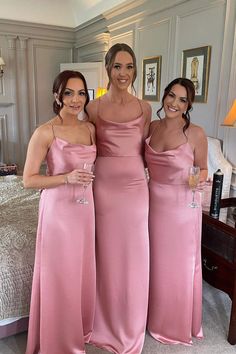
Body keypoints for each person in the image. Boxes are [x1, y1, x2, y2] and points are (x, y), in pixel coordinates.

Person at [23, 70, 96, 354]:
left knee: (79, 271)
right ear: (57, 96)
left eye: (81, 93)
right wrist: (66, 178)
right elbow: (29, 180)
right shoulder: (45, 131)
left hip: (85, 209)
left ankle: (77, 328)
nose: (76, 99)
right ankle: (56, 340)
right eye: (68, 92)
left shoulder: (90, 129)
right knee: (60, 273)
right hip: (59, 212)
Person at [87, 43, 152, 354]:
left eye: (129, 67)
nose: (123, 73)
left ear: (135, 70)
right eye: (117, 66)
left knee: (134, 255)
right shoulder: (93, 108)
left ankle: (132, 321)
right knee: (107, 255)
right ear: (108, 68)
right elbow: (83, 147)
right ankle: (103, 320)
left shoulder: (145, 107)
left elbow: (150, 151)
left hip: (136, 188)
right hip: (104, 187)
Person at [145, 77, 208, 345]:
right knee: (154, 265)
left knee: (178, 268)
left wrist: (199, 178)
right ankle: (151, 317)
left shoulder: (195, 133)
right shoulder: (152, 126)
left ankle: (173, 324)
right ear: (164, 96)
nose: (174, 103)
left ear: (188, 104)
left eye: (182, 99)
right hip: (152, 205)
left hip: (182, 209)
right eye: (171, 95)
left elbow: (203, 168)